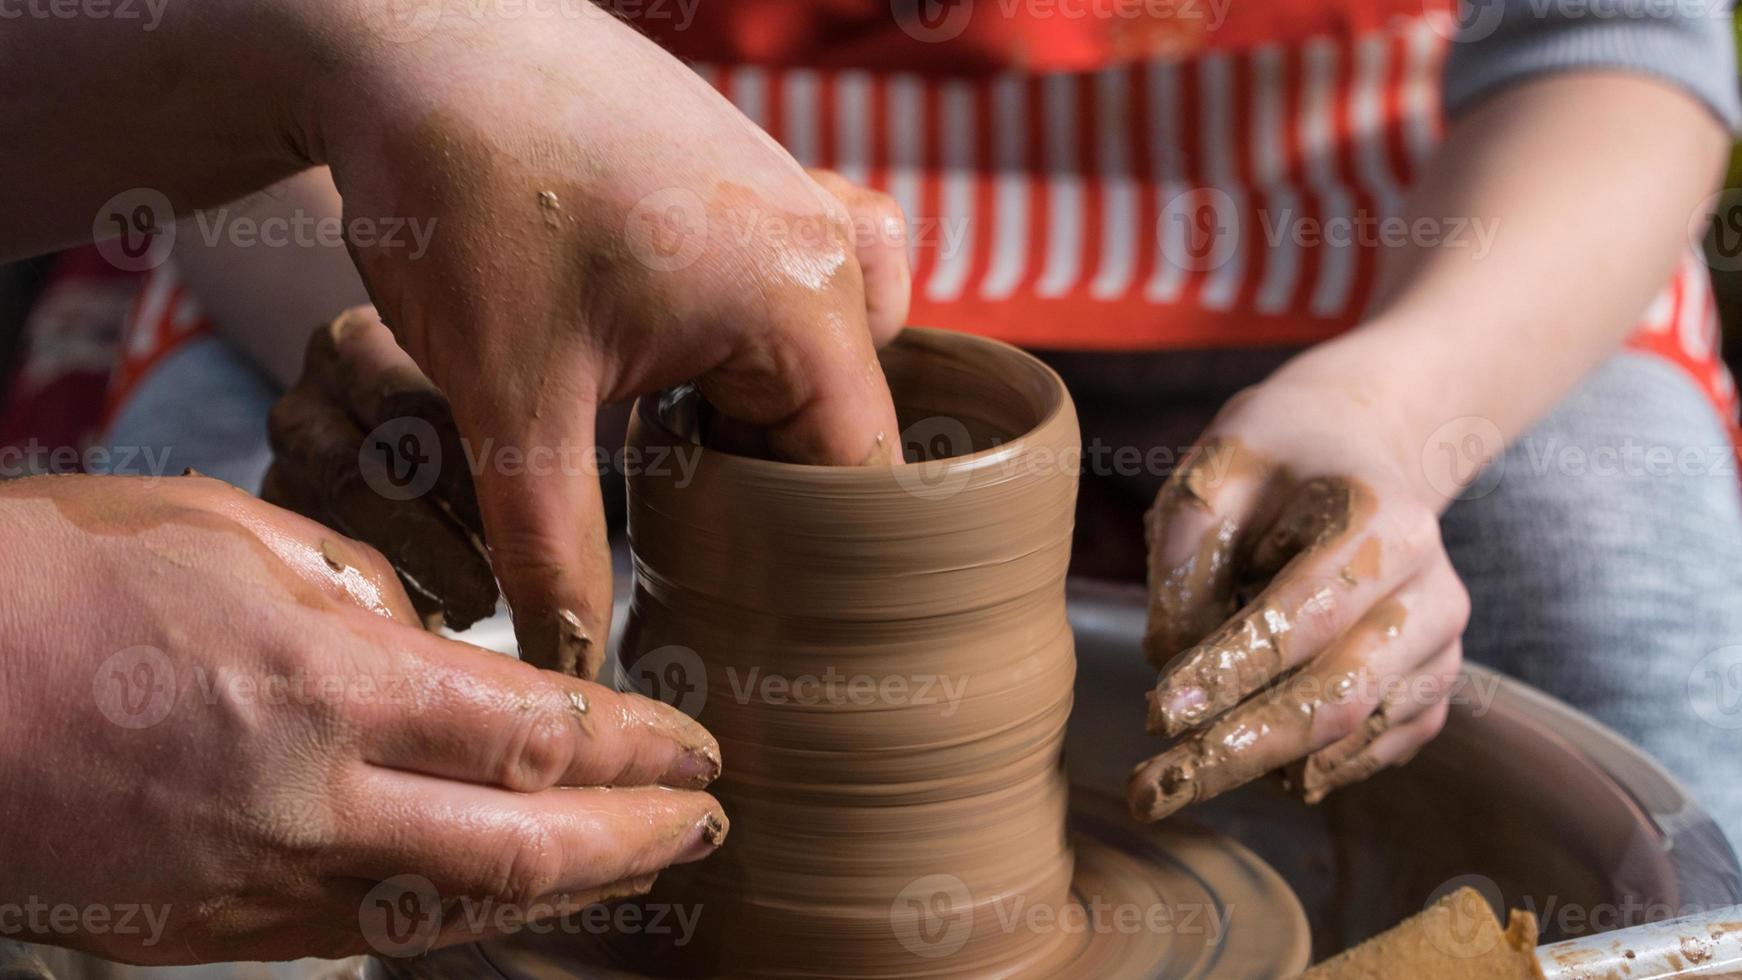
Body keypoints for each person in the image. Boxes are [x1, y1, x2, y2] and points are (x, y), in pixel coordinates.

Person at [2, 0, 1738, 965]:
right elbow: (168, 68)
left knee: (1606, 582)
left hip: (1351, 214)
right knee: (248, 586)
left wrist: (1404, 404)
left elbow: (1617, 52)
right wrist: (411, 303)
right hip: (478, 174)